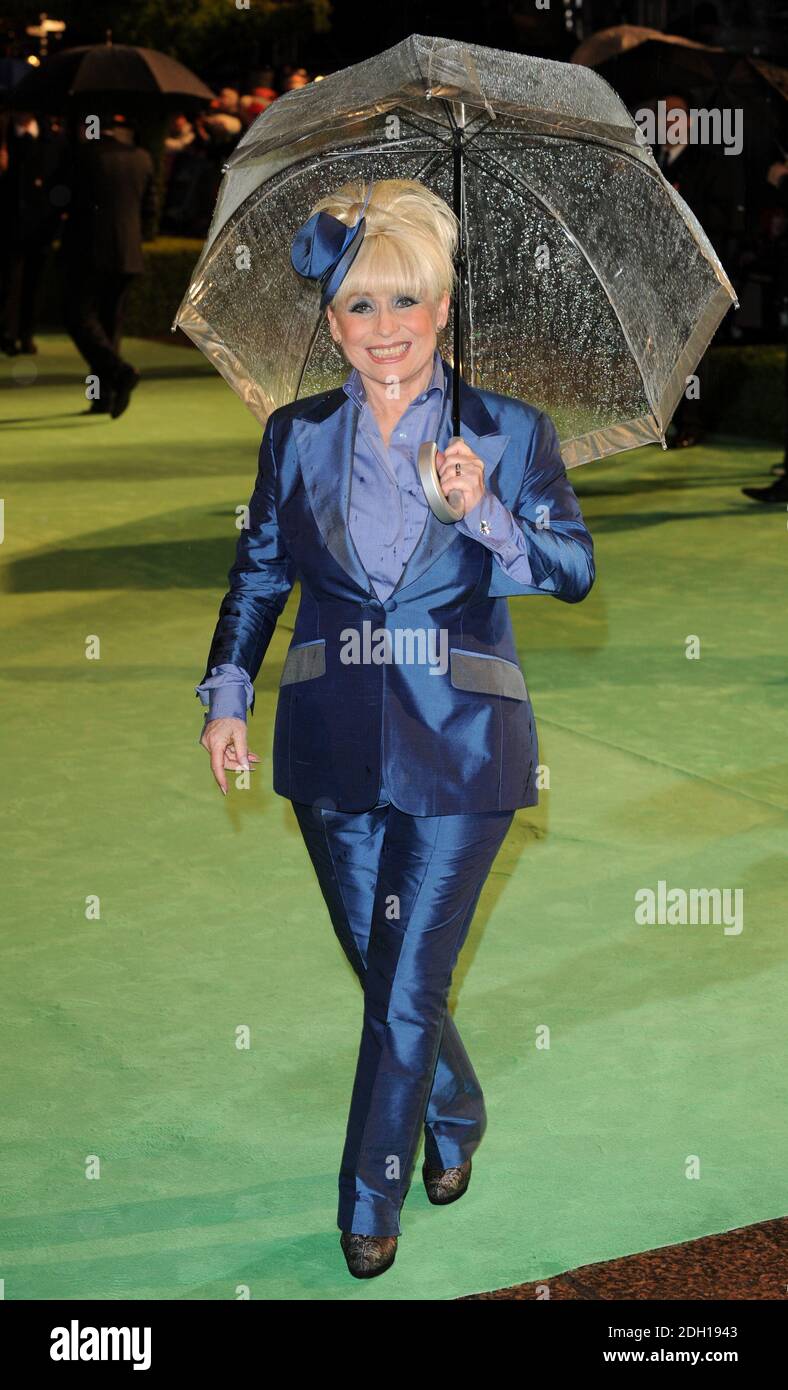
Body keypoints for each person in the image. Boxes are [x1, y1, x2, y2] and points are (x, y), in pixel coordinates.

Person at [194, 179, 595, 1279]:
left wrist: (489, 515)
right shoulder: (294, 436)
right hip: (328, 744)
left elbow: (571, 571)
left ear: (441, 308)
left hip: (465, 744)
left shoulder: (506, 434)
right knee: (388, 973)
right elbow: (260, 573)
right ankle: (452, 1108)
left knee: (405, 979)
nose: (385, 331)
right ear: (330, 322)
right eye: (360, 307)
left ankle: (368, 1197)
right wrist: (227, 692)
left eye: (405, 303)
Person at [58, 114, 156, 418]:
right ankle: (105, 396)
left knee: (79, 317)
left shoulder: (85, 155)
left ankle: (118, 374)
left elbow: (64, 198)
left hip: (89, 252)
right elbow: (150, 210)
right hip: (128, 253)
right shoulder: (142, 158)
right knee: (109, 322)